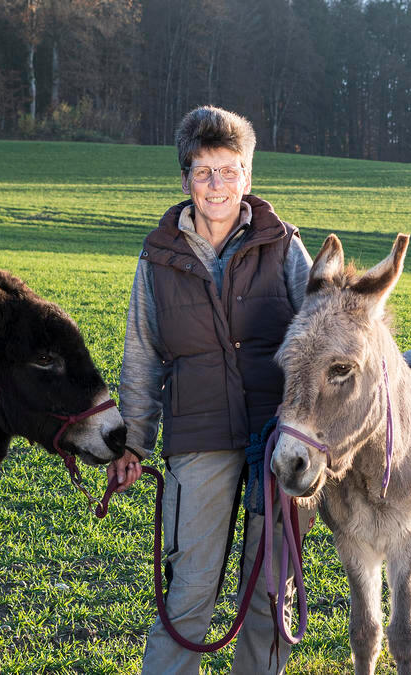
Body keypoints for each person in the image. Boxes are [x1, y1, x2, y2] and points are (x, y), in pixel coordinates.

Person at [108, 105, 313, 674]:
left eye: (229, 170)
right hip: (197, 440)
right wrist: (133, 444)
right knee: (190, 594)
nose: (217, 185)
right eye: (204, 172)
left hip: (278, 444)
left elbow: (319, 340)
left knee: (271, 594)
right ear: (185, 180)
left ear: (248, 177)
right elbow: (142, 356)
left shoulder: (283, 246)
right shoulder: (158, 258)